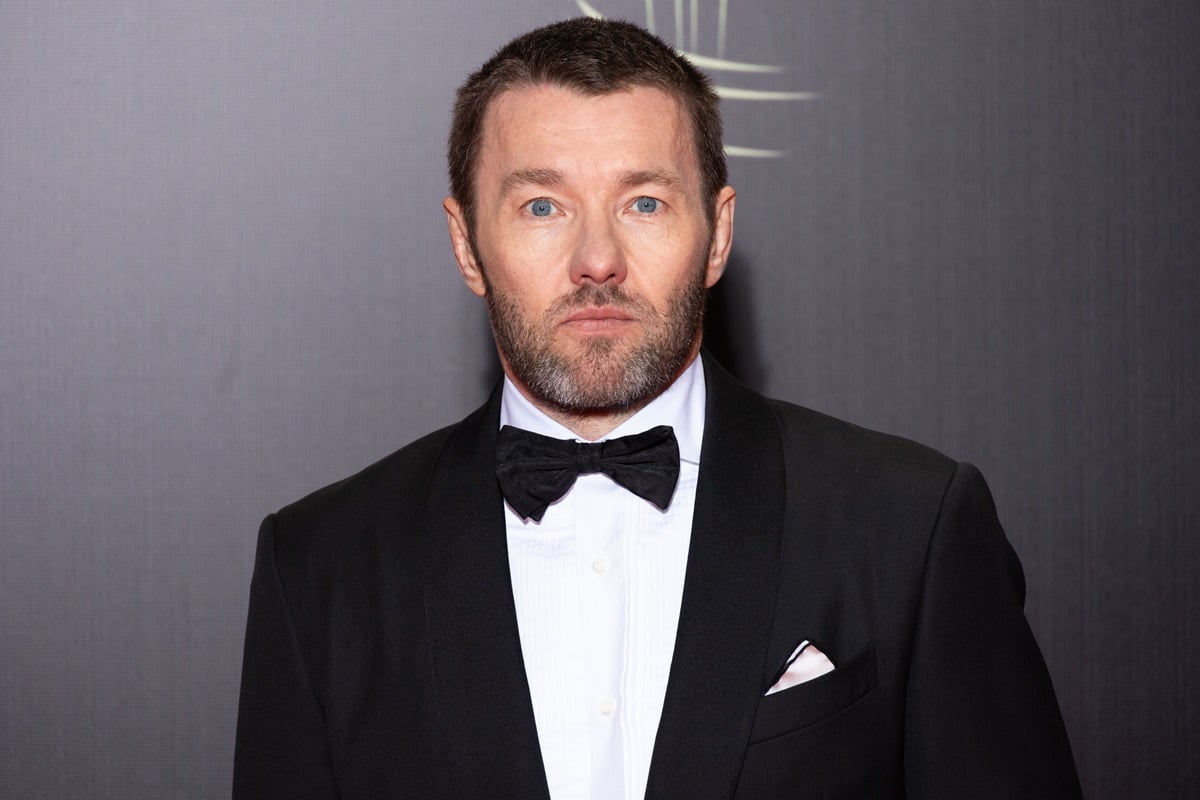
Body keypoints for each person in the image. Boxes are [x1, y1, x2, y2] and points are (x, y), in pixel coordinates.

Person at [233, 17, 1081, 799]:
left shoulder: (910, 525)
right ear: (465, 244)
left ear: (715, 234)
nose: (597, 259)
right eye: (542, 206)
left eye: (644, 201)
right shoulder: (322, 567)